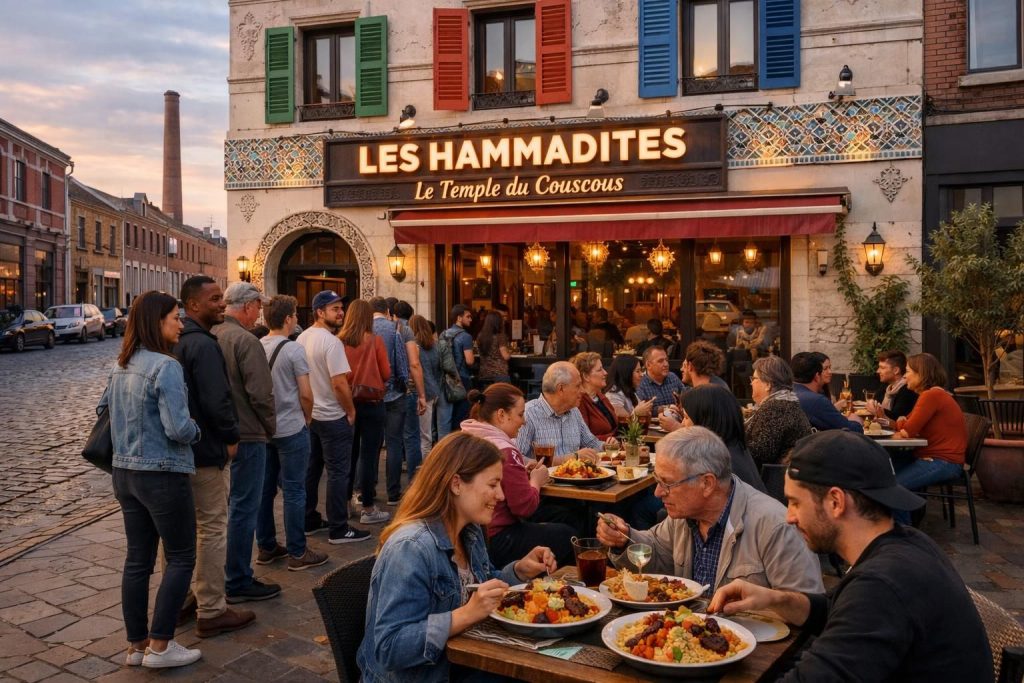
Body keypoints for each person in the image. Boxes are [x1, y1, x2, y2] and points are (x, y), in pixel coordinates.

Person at [709, 430, 993, 681]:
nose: (790, 517)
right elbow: (840, 610)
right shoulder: (907, 543)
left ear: (836, 502)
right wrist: (776, 599)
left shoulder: (881, 586)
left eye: (795, 502)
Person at [356, 432, 557, 682]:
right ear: (456, 484)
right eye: (493, 485)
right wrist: (465, 615)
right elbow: (389, 648)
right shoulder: (411, 548)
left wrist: (519, 571)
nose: (501, 496)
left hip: (457, 664)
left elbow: (480, 585)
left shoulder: (468, 531)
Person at [596, 427, 822, 594]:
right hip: (688, 641)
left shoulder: (774, 525)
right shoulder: (685, 516)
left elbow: (807, 608)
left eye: (667, 483)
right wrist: (624, 538)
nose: (658, 492)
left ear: (707, 483)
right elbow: (657, 553)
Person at [104, 291, 202, 668]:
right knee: (181, 557)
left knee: (137, 560)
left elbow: (104, 410)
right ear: (156, 322)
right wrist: (197, 430)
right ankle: (161, 645)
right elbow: (177, 428)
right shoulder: (165, 366)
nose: (181, 324)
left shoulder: (121, 365)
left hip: (125, 472)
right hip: (162, 473)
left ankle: (136, 646)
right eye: (175, 317)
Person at [174, 276, 254, 638]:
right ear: (193, 305)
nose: (222, 304)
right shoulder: (202, 345)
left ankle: (180, 600)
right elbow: (217, 400)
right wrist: (231, 437)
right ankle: (211, 607)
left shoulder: (175, 341)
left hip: (180, 452)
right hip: (206, 452)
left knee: (179, 534)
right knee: (212, 529)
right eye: (215, 299)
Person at [212, 282, 281, 604]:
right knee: (244, 507)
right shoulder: (245, 340)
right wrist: (270, 427)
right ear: (248, 306)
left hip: (219, 434)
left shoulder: (211, 335)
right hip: (249, 433)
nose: (260, 314)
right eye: (258, 307)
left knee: (225, 509)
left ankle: (224, 576)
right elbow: (261, 394)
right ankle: (237, 578)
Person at [460, 384, 575, 567]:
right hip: (498, 537)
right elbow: (524, 507)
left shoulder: (467, 437)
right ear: (501, 415)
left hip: (468, 533)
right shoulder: (505, 449)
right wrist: (536, 481)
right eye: (520, 415)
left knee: (561, 515)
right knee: (568, 535)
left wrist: (523, 474)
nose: (524, 422)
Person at [256, 295, 328, 571]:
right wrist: (306, 418)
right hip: (291, 427)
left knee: (265, 490)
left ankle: (266, 545)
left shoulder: (258, 345)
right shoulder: (293, 349)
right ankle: (298, 551)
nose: (297, 319)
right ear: (288, 319)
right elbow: (306, 393)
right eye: (296, 315)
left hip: (266, 429)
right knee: (295, 490)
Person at [296, 290, 369, 544]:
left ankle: (308, 519)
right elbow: (339, 383)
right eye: (335, 309)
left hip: (312, 416)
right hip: (331, 416)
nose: (341, 313)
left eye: (341, 308)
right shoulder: (331, 342)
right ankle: (339, 528)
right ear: (320, 312)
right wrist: (350, 411)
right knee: (339, 472)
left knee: (313, 469)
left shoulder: (302, 338)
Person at [890, 352, 968, 523]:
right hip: (934, 458)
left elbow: (907, 429)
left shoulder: (932, 395)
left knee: (893, 487)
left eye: (908, 371)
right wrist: (903, 425)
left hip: (944, 462)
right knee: (888, 468)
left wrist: (904, 425)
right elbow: (901, 424)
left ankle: (903, 536)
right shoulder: (931, 395)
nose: (904, 376)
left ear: (921, 373)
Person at [341, 299, 391, 525]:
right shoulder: (375, 341)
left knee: (348, 455)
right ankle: (368, 506)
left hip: (347, 402)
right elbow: (386, 373)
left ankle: (344, 503)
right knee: (369, 456)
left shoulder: (339, 342)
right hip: (372, 402)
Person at [515, 361, 607, 464]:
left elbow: (591, 443)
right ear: (561, 388)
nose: (583, 391)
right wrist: (573, 457)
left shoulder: (574, 411)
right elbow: (516, 458)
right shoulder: (529, 414)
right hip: (546, 479)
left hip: (576, 477)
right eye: (578, 386)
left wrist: (606, 446)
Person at [745, 356, 813, 495]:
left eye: (754, 379)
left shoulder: (776, 408)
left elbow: (761, 452)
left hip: (776, 488)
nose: (751, 383)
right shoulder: (785, 403)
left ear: (768, 384)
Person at [678, 385, 765, 492]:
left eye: (686, 417)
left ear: (706, 420)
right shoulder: (734, 447)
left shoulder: (718, 463)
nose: (682, 424)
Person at [394, 300, 429, 501]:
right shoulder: (407, 332)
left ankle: (390, 489)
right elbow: (415, 365)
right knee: (411, 437)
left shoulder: (377, 331)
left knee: (394, 441)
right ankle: (414, 484)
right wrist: (421, 395)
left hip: (386, 392)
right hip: (408, 390)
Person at [791, 352, 863, 433]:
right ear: (817, 376)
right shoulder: (816, 400)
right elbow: (852, 430)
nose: (829, 372)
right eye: (825, 369)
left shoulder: (787, 393)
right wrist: (857, 421)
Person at [437, 304, 475, 438]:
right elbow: (469, 360)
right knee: (461, 415)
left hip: (446, 378)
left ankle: (445, 444)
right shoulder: (466, 336)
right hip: (462, 379)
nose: (471, 319)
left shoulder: (443, 334)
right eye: (468, 316)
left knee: (446, 416)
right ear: (459, 318)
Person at [410, 315, 441, 466]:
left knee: (420, 435)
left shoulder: (413, 346)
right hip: (433, 391)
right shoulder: (434, 345)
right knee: (427, 433)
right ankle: (426, 464)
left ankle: (424, 468)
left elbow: (414, 369)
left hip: (421, 392)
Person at [572, 352, 618, 441]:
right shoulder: (579, 402)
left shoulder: (601, 397)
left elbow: (615, 428)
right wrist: (609, 439)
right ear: (586, 376)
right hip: (596, 452)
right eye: (599, 369)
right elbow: (582, 439)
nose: (605, 372)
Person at [869, 349, 918, 425]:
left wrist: (876, 409)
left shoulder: (907, 390)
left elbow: (897, 417)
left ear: (896, 370)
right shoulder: (886, 386)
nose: (878, 371)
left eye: (882, 368)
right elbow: (874, 401)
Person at [605, 354, 655, 420]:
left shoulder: (630, 390)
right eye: (638, 371)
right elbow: (621, 423)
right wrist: (637, 413)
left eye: (641, 371)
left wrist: (646, 411)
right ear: (626, 373)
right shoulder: (613, 394)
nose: (642, 374)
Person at [476, 310, 511, 383]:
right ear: (498, 322)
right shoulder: (500, 336)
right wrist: (509, 352)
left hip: (484, 373)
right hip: (500, 374)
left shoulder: (480, 336)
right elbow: (506, 356)